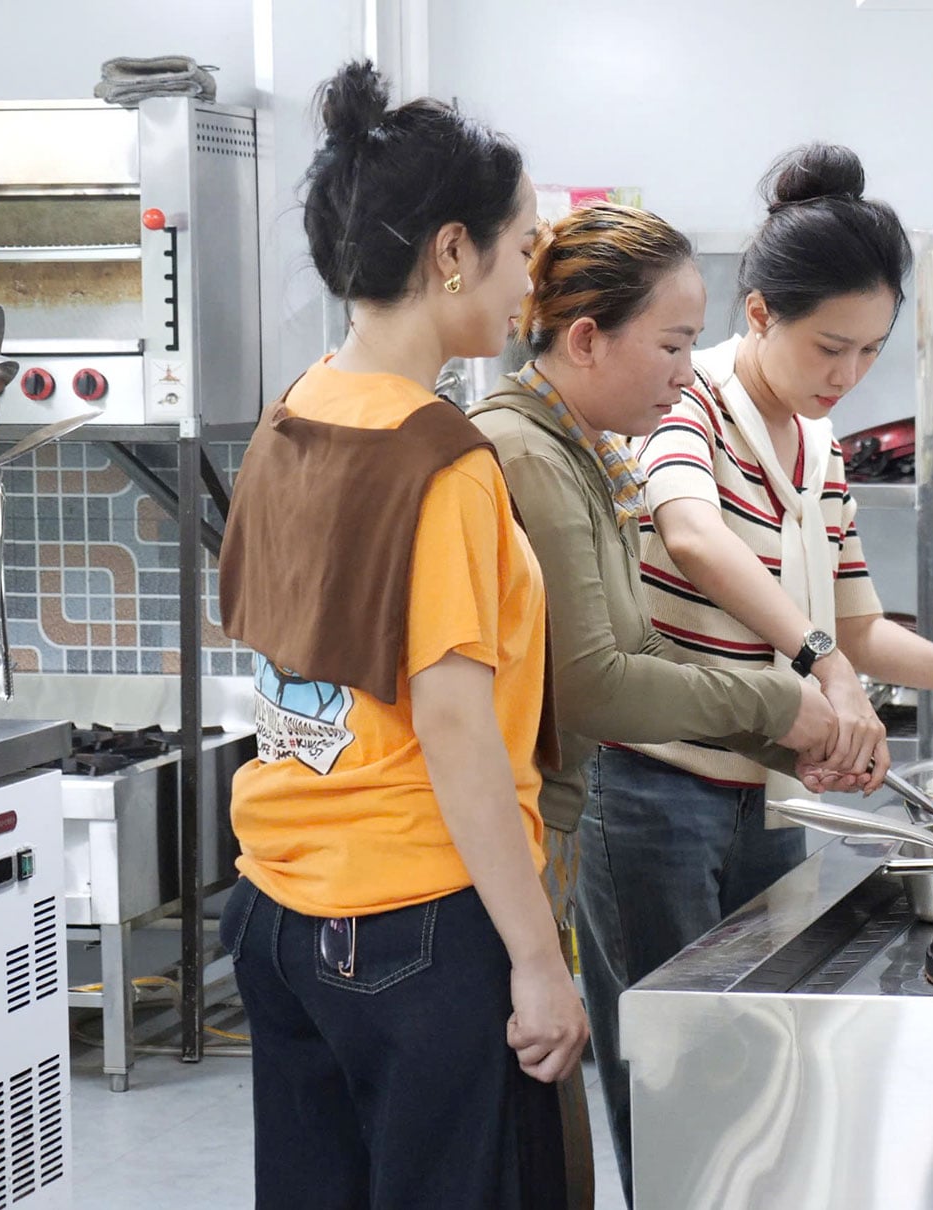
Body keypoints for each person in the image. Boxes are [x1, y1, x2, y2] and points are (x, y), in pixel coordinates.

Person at [581, 142, 933, 1190]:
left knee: (749, 1073)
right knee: (672, 1080)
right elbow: (693, 536)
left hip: (760, 796)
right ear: (761, 313)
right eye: (831, 347)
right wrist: (820, 664)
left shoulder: (819, 445)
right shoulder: (685, 405)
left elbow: (859, 622)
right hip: (651, 789)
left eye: (870, 353)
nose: (847, 375)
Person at [215, 60, 583, 1209]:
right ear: (450, 252)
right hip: (414, 926)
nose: (529, 280)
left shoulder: (296, 412)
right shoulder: (441, 458)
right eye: (523, 248)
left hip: (278, 912)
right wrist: (535, 957)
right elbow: (456, 730)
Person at [465, 201, 843, 1204]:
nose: (688, 373)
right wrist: (782, 702)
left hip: (554, 827)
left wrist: (782, 739)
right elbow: (595, 682)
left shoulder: (583, 447)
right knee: (633, 1125)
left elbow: (636, 647)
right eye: (673, 345)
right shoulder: (527, 455)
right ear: (586, 339)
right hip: (518, 846)